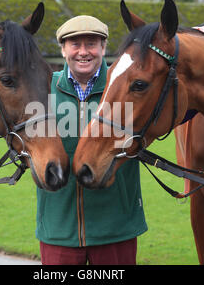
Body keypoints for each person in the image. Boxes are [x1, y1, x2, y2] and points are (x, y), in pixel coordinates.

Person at [35, 15, 148, 265]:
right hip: (58, 230)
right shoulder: (42, 91)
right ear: (63, 49)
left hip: (116, 230)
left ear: (103, 47)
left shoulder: (128, 89)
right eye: (75, 44)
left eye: (92, 43)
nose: (83, 52)